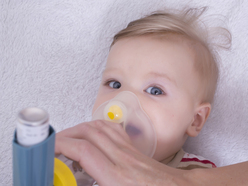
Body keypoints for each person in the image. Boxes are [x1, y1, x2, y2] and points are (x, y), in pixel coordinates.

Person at [55, 7, 242, 185]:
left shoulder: (200, 173)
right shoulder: (82, 162)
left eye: (155, 90)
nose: (122, 100)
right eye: (115, 84)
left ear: (195, 120)